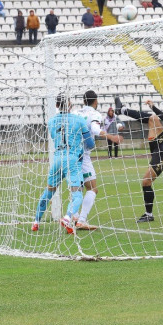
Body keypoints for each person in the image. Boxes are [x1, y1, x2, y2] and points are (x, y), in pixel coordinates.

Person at [31, 94, 95, 232]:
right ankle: (67, 218)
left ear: (56, 106)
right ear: (70, 105)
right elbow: (90, 144)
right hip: (72, 160)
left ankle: (36, 221)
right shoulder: (79, 120)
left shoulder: (51, 121)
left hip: (57, 159)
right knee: (77, 193)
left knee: (49, 191)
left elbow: (56, 137)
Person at [72, 90, 124, 230]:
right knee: (92, 188)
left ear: (83, 101)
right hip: (82, 155)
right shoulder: (94, 114)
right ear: (95, 101)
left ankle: (73, 217)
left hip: (70, 154)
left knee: (78, 187)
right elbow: (95, 129)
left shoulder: (75, 113)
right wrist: (111, 137)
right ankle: (80, 220)